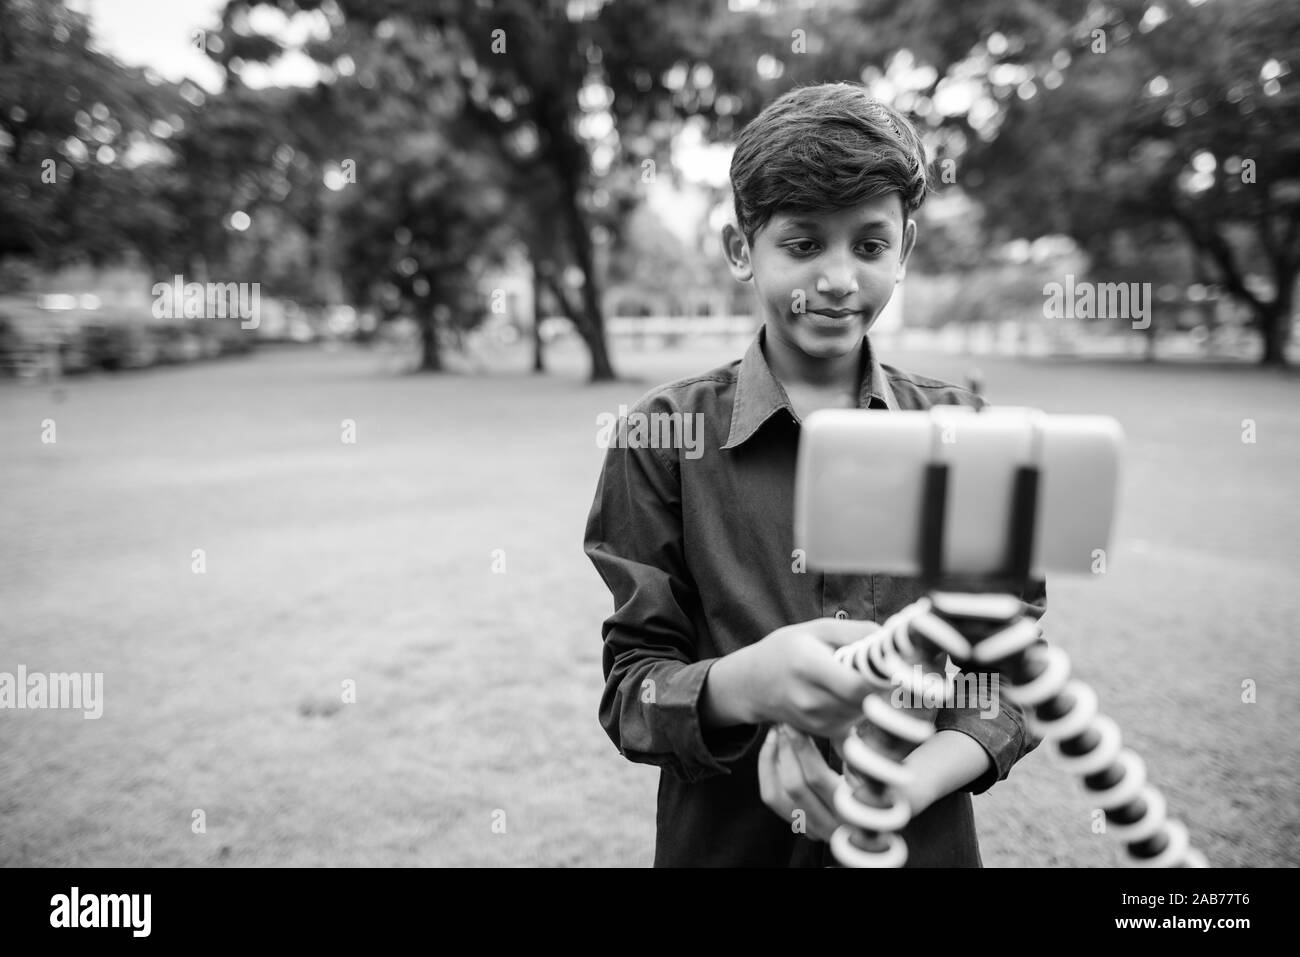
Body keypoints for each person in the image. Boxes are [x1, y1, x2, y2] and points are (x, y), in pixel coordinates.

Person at [584, 83, 1046, 867]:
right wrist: (743, 683)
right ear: (742, 249)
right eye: (803, 244)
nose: (838, 279)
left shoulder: (966, 434)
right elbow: (632, 692)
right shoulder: (659, 438)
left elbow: (1008, 678)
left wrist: (905, 784)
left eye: (869, 245)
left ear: (902, 250)